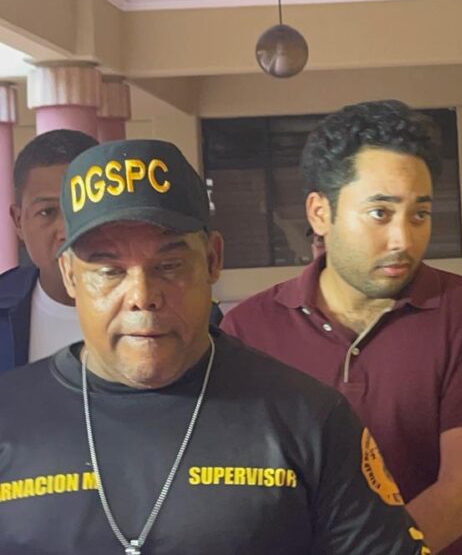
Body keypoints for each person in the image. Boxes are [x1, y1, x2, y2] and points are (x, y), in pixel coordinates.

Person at [0, 139, 429, 555]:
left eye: (169, 265)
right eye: (109, 271)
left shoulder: (309, 419)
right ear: (70, 276)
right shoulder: (10, 417)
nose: (142, 296)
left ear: (212, 261)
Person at [222, 100, 462, 555]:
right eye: (380, 213)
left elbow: (461, 495)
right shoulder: (248, 330)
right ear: (320, 213)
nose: (404, 239)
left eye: (419, 215)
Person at [0, 129, 99, 371]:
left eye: (81, 209)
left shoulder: (152, 305)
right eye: (47, 212)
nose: (66, 231)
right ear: (18, 221)